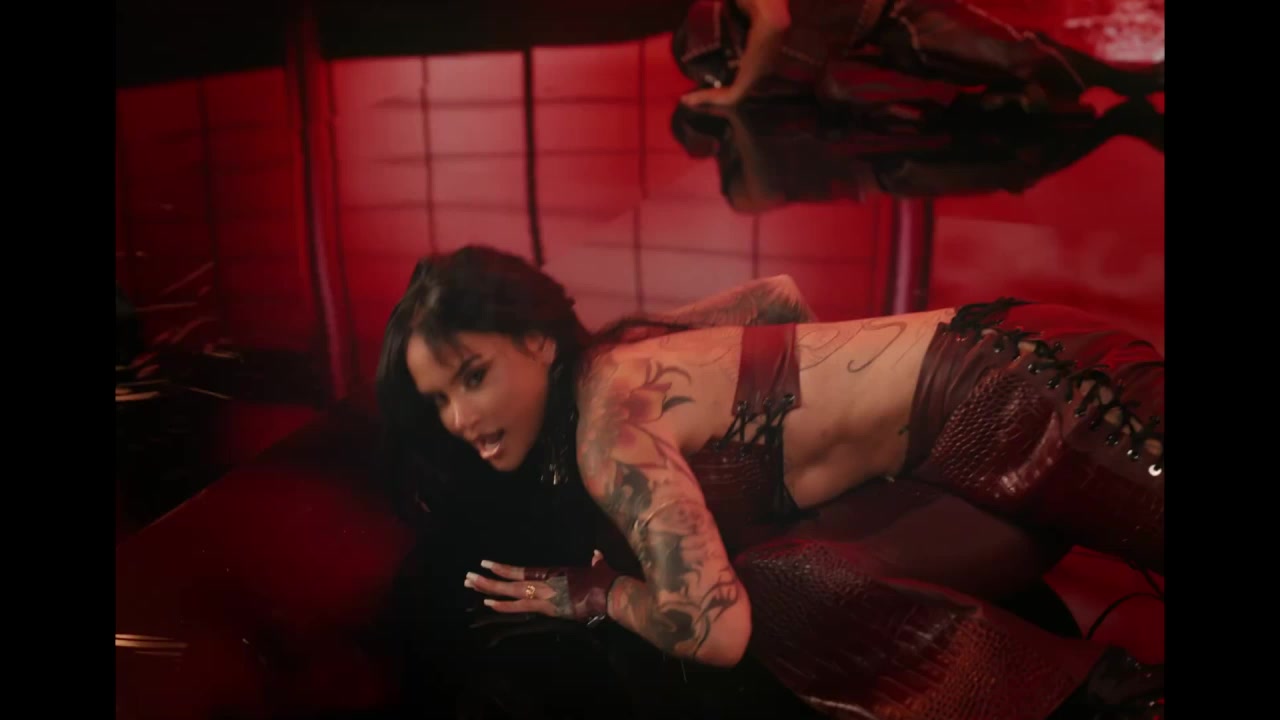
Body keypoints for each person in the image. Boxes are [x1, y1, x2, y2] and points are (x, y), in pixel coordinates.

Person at [376, 246, 1165, 719]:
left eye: (473, 377)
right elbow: (777, 295)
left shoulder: (611, 426)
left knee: (759, 588)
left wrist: (598, 593)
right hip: (971, 440)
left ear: (537, 343)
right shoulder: (619, 353)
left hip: (1042, 393)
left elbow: (712, 633)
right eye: (438, 400)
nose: (461, 418)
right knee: (787, 575)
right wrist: (832, 435)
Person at [670, 95, 1163, 214]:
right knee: (1008, 169)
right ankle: (1117, 123)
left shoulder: (757, 105)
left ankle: (1110, 115)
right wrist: (737, 119)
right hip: (891, 171)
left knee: (997, 119)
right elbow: (766, 189)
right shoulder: (736, 188)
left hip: (884, 127)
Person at [672, 0, 1165, 111]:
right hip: (871, 45)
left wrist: (736, 92)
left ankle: (1126, 83)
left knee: (1017, 55)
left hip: (900, 13)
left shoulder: (753, 22)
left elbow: (774, 20)